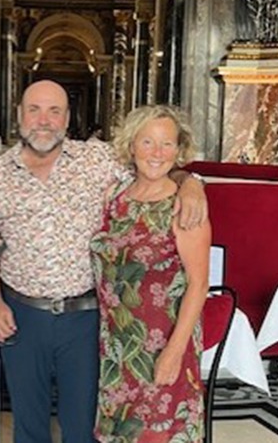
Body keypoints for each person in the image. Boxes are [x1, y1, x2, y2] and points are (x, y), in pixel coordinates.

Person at [0, 80, 207, 443]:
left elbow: (156, 166)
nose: (44, 120)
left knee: (85, 424)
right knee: (27, 422)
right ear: (19, 115)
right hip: (21, 313)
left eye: (54, 111)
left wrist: (192, 181)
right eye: (34, 110)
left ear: (68, 119)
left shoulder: (97, 160)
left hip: (86, 318)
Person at [92, 105, 211, 442]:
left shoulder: (184, 207)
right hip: (117, 346)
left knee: (158, 433)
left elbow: (199, 285)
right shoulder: (114, 196)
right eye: (148, 142)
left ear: (179, 149)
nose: (157, 153)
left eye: (167, 144)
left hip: (164, 345)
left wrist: (173, 353)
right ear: (132, 146)